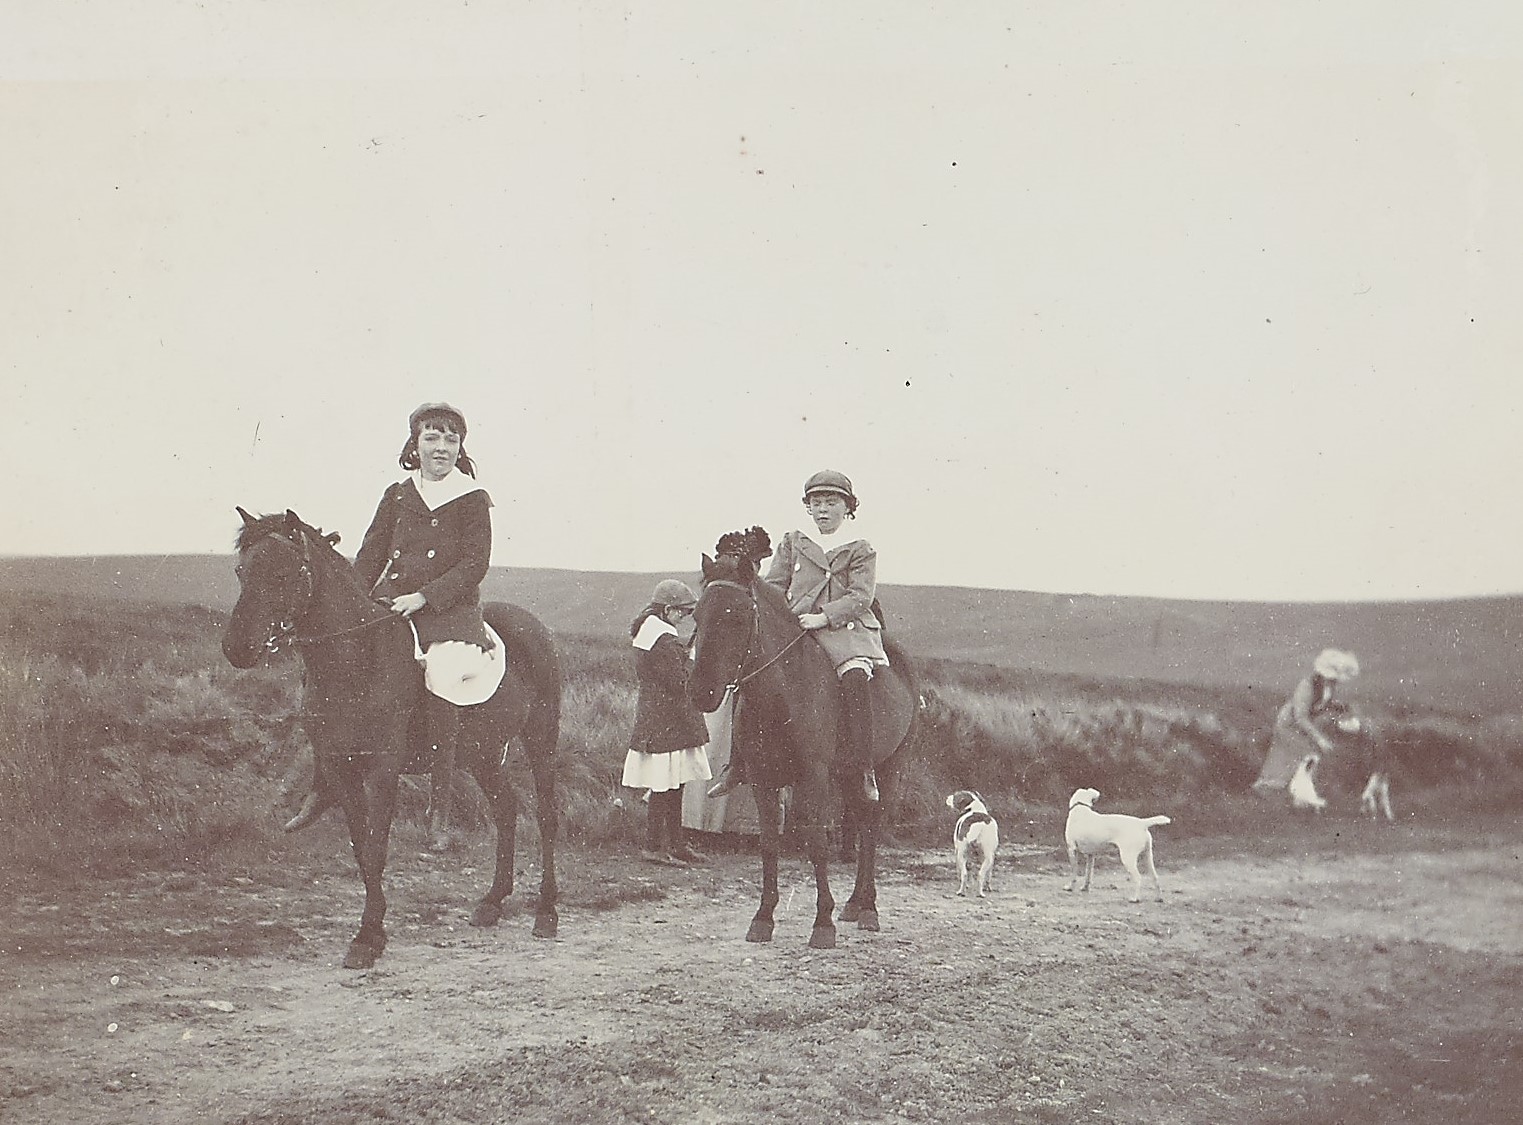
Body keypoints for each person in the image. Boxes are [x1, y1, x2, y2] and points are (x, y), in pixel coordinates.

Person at [285, 402, 499, 850]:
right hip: (392, 603)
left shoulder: (473, 498)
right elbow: (371, 553)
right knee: (337, 667)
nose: (441, 447)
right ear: (415, 443)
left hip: (448, 612)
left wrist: (425, 597)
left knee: (441, 675)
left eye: (450, 439)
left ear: (460, 448)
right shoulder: (398, 494)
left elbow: (474, 563)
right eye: (432, 437)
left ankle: (439, 805)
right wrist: (354, 604)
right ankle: (324, 781)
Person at [708, 469, 887, 802]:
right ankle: (736, 764)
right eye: (816, 502)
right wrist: (779, 616)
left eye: (831, 502)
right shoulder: (794, 541)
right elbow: (775, 584)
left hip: (843, 629)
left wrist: (823, 617)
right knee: (750, 676)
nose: (822, 510)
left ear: (847, 507)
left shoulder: (861, 547)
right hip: (795, 625)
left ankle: (863, 769)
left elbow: (861, 596)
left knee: (855, 679)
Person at [625, 579, 713, 866]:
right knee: (665, 784)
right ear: (666, 609)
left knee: (674, 782)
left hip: (665, 718)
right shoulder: (661, 637)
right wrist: (694, 659)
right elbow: (679, 680)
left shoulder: (651, 631)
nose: (683, 618)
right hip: (668, 718)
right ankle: (655, 845)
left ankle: (675, 843)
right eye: (681, 612)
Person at [1251, 647, 1361, 794]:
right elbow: (1301, 716)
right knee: (1308, 755)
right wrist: (1320, 738)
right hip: (1289, 726)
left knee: (1309, 758)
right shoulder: (1307, 686)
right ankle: (1291, 793)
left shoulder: (1328, 686)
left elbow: (1323, 703)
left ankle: (1299, 794)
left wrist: (1340, 707)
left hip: (1302, 726)